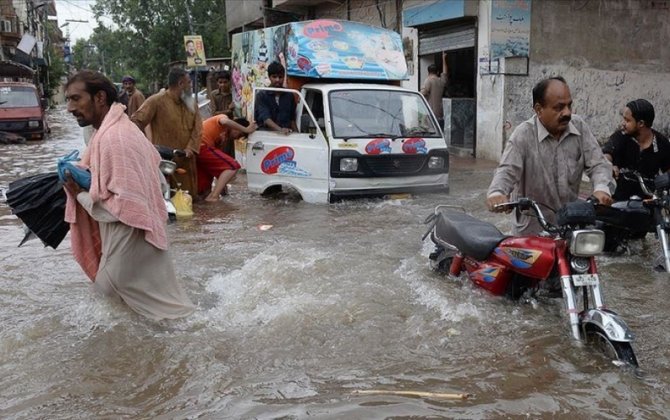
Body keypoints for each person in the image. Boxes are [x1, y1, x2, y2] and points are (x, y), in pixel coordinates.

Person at [63, 70, 194, 320]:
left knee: (110, 310)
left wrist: (79, 193)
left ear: (99, 98)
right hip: (145, 241)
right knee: (172, 313)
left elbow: (121, 206)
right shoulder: (121, 130)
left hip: (126, 246)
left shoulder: (114, 138)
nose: (69, 108)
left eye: (75, 99)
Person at [486, 76, 615, 235]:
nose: (567, 112)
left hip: (572, 226)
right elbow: (507, 170)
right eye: (559, 107)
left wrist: (601, 188)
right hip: (533, 230)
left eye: (569, 105)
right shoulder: (523, 135)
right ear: (539, 110)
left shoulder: (579, 126)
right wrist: (497, 194)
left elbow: (598, 164)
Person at [131, 68, 202, 200]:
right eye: (189, 83)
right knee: (164, 199)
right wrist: (143, 146)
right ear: (181, 84)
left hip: (187, 160)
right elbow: (136, 122)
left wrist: (190, 149)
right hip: (164, 161)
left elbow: (198, 129)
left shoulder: (191, 103)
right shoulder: (156, 101)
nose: (191, 86)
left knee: (189, 201)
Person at [602, 99, 670, 201]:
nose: (623, 123)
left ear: (641, 123)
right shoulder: (621, 136)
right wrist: (609, 165)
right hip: (618, 201)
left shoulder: (661, 143)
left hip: (646, 204)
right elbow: (607, 153)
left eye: (627, 120)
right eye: (623, 119)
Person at [197, 115, 257, 202]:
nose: (237, 138)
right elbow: (225, 121)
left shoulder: (224, 138)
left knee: (204, 191)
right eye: (239, 134)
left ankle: (208, 201)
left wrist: (222, 186)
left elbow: (220, 167)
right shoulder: (223, 118)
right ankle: (213, 197)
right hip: (201, 145)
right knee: (233, 166)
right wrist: (246, 129)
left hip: (201, 151)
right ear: (236, 127)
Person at [254, 61, 296, 135]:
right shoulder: (262, 95)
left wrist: (298, 135)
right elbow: (266, 118)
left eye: (280, 77)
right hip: (266, 135)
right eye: (274, 77)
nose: (277, 80)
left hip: (287, 136)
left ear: (284, 77)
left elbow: (292, 119)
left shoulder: (289, 95)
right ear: (269, 77)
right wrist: (280, 130)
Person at [420, 52, 448, 128]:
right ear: (438, 72)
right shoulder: (441, 81)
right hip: (440, 112)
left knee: (430, 132)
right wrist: (444, 59)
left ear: (428, 72)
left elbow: (423, 93)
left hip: (430, 113)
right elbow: (445, 73)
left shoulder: (428, 80)